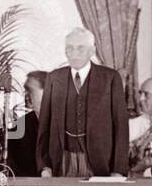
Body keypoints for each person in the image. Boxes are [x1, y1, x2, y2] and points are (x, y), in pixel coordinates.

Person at [36, 28, 128, 178]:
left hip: (100, 163)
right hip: (62, 162)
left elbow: (121, 126)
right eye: (69, 48)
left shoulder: (110, 78)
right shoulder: (54, 78)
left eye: (80, 48)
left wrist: (118, 170)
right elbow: (44, 127)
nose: (74, 53)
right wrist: (44, 166)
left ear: (92, 51)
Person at [7, 70, 46, 177]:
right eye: (25, 90)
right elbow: (10, 165)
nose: (25, 95)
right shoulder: (19, 126)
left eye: (30, 90)